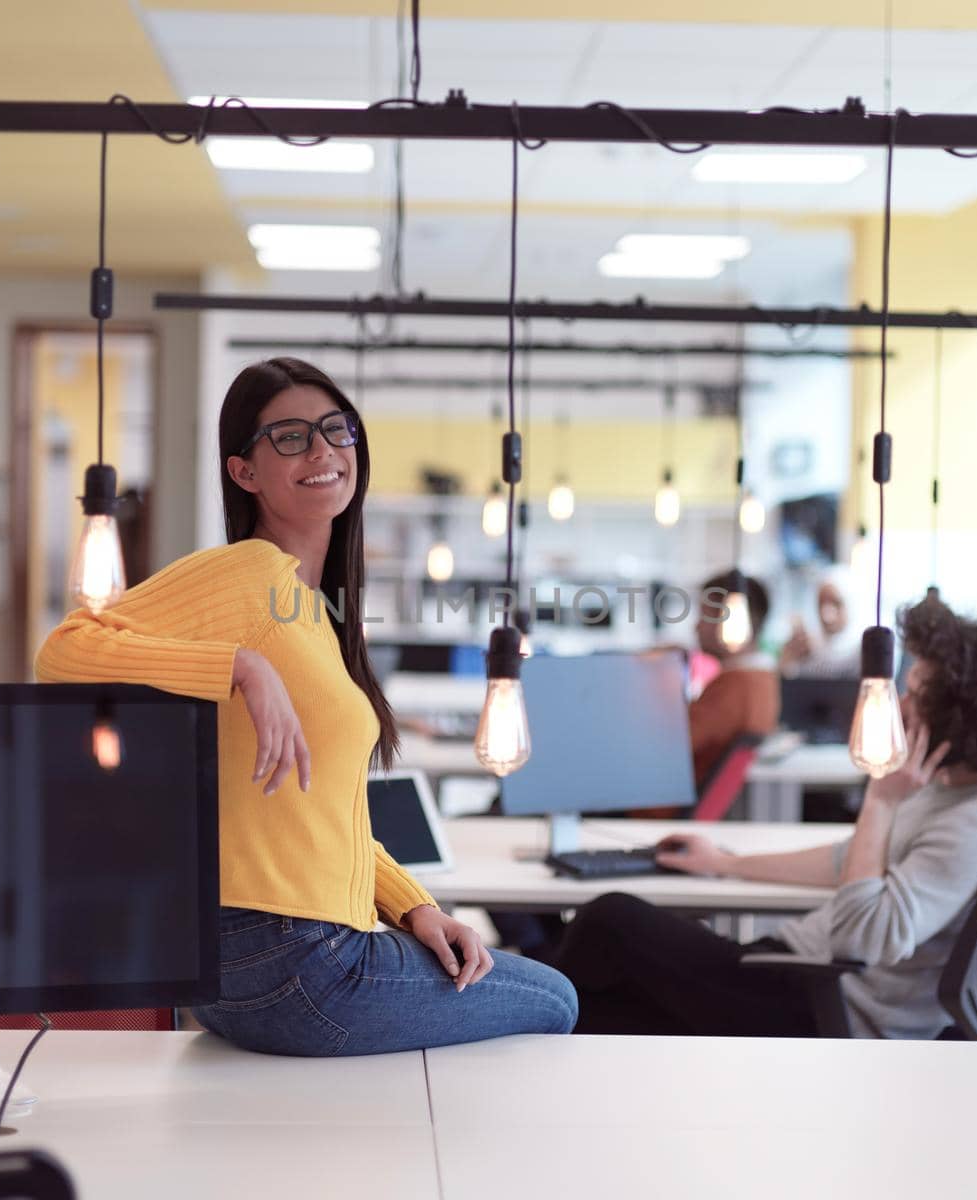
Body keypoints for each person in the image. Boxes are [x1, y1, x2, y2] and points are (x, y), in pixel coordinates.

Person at [37, 357, 577, 1055]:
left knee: (513, 990)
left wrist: (413, 905)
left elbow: (326, 818)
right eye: (290, 437)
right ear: (244, 473)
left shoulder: (311, 611)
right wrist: (239, 667)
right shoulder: (247, 572)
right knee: (554, 999)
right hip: (291, 959)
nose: (323, 450)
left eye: (335, 429)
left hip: (265, 963)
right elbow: (63, 651)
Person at [545, 596, 977, 1039]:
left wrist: (880, 800)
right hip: (800, 969)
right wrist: (725, 863)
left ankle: (515, 1008)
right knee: (601, 1009)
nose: (900, 700)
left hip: (822, 1000)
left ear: (961, 712)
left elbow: (862, 937)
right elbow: (848, 863)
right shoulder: (961, 784)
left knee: (610, 919)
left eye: (917, 689)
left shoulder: (976, 820)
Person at [688, 570, 780, 787]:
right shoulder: (763, 678)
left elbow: (671, 747)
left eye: (704, 615)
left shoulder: (735, 685)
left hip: (657, 808)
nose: (696, 627)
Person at [778, 565, 862, 679]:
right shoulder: (806, 652)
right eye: (821, 603)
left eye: (836, 603)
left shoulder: (864, 653)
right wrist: (787, 663)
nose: (827, 615)